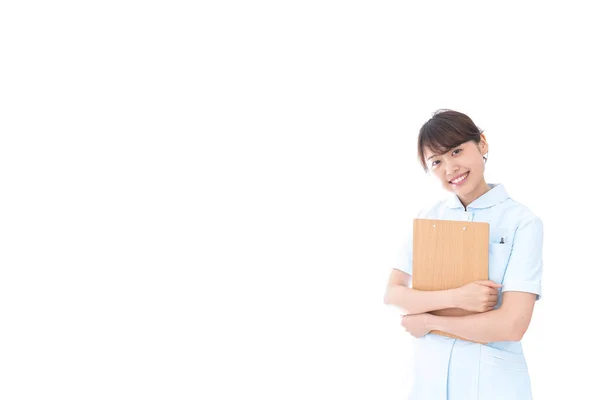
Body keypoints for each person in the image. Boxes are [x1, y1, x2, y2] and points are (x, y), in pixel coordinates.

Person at [384, 109, 543, 400]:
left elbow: (512, 324)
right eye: (437, 161)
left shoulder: (522, 222)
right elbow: (393, 294)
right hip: (425, 379)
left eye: (457, 151)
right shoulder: (427, 217)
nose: (450, 168)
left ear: (482, 144)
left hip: (494, 384)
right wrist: (457, 298)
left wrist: (430, 321)